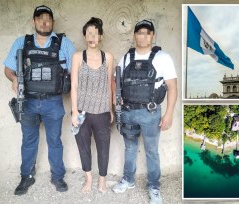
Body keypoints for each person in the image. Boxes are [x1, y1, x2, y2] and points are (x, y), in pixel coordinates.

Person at [3, 5, 75, 195]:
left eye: (48, 19)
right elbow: (8, 69)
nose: (44, 22)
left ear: (52, 22)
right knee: (28, 141)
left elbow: (75, 71)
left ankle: (58, 177)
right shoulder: (22, 42)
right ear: (33, 21)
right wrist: (15, 78)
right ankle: (26, 177)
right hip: (28, 102)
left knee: (55, 140)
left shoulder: (64, 43)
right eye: (40, 18)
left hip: (53, 101)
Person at [112, 20, 177, 204]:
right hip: (128, 112)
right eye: (140, 32)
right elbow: (115, 82)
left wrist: (169, 114)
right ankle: (128, 180)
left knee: (151, 151)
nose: (143, 36)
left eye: (147, 33)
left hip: (150, 113)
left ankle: (154, 187)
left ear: (153, 36)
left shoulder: (163, 57)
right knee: (130, 148)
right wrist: (117, 101)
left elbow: (172, 87)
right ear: (135, 36)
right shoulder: (126, 58)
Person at [71, 17, 114, 193]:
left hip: (102, 111)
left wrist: (110, 109)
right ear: (84, 36)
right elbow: (74, 84)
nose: (92, 37)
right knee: (83, 146)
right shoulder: (77, 57)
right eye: (88, 33)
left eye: (95, 33)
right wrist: (74, 111)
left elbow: (109, 83)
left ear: (101, 36)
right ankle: (88, 179)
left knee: (104, 147)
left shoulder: (108, 57)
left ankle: (102, 180)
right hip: (82, 111)